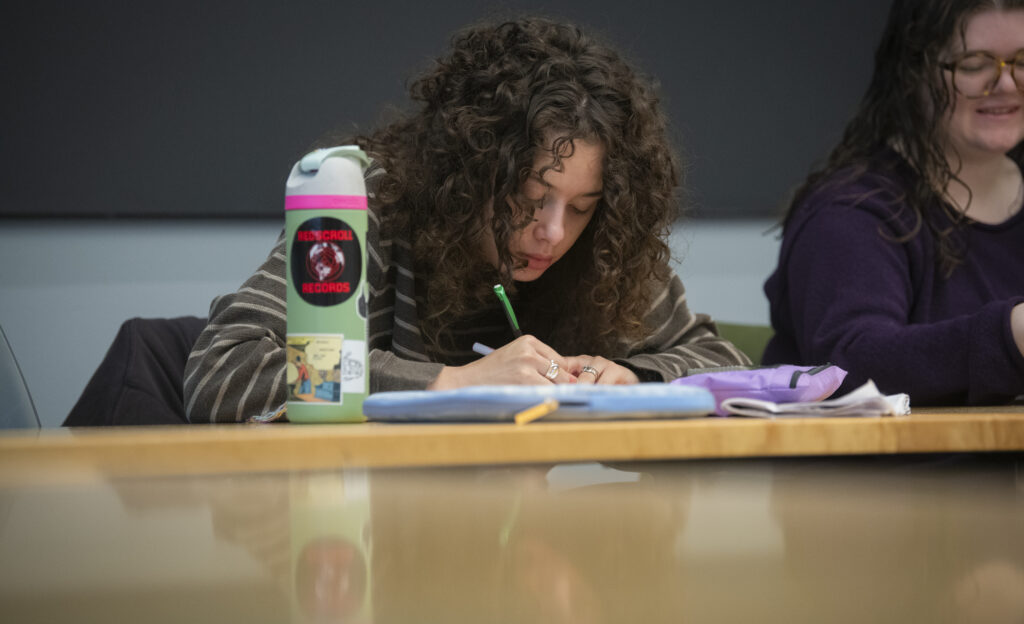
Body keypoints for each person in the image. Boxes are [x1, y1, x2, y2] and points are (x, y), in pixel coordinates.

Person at [184, 17, 748, 423]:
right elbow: (226, 366)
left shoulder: (601, 249)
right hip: (365, 541)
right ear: (471, 172)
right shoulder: (364, 208)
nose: (553, 232)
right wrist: (446, 384)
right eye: (531, 196)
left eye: (580, 206)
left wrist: (636, 376)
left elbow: (721, 360)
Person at [763, 0, 1024, 406]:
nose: (1007, 85)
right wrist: (1011, 334)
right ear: (912, 73)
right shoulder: (851, 210)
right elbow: (847, 367)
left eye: (1022, 60)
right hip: (883, 468)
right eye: (974, 65)